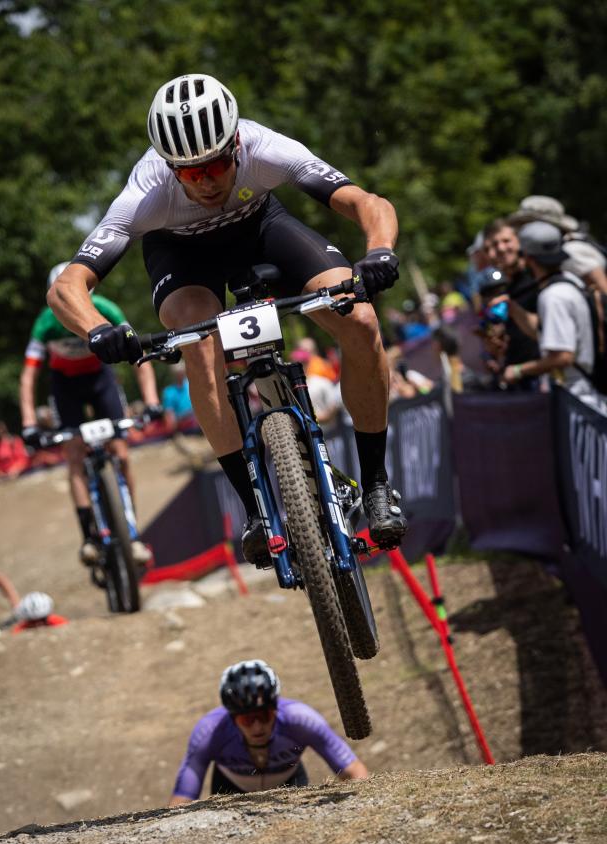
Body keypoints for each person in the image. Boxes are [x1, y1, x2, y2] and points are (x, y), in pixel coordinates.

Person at [46, 73, 407, 564]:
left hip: (262, 228)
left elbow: (367, 202)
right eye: (192, 174)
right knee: (198, 342)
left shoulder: (267, 149)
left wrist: (379, 251)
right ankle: (255, 509)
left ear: (236, 142)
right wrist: (97, 330)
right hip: (181, 256)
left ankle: (377, 484)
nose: (209, 181)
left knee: (361, 322)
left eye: (217, 164)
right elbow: (67, 286)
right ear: (171, 168)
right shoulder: (144, 193)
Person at [20, 262, 160, 565]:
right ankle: (89, 538)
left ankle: (131, 534)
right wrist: (29, 424)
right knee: (74, 454)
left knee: (121, 454)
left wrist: (151, 401)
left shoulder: (106, 309)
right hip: (65, 386)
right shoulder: (45, 322)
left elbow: (140, 356)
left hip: (101, 381)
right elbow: (28, 377)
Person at [168, 659, 369, 805]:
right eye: (246, 719)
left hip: (289, 781)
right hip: (229, 787)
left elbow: (353, 771)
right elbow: (183, 796)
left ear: (276, 709)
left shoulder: (301, 720)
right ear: (231, 717)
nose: (257, 727)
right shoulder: (209, 732)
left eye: (264, 716)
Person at [500, 222, 599, 402]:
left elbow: (562, 357)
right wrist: (514, 310)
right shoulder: (571, 282)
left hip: (576, 399)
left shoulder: (553, 296)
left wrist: (517, 370)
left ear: (528, 258)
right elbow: (545, 334)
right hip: (583, 396)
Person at [481, 218, 541, 389]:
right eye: (493, 245)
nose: (500, 248)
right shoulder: (505, 287)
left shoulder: (537, 276)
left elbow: (547, 332)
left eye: (506, 241)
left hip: (545, 378)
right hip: (521, 382)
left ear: (519, 241)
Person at [508, 195, 607, 295]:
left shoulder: (572, 250)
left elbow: (603, 289)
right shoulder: (557, 249)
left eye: (528, 223)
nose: (524, 230)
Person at [161, 361, 199, 432]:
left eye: (181, 373)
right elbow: (169, 414)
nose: (180, 375)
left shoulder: (192, 385)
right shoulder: (169, 392)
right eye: (178, 373)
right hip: (182, 423)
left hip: (196, 420)